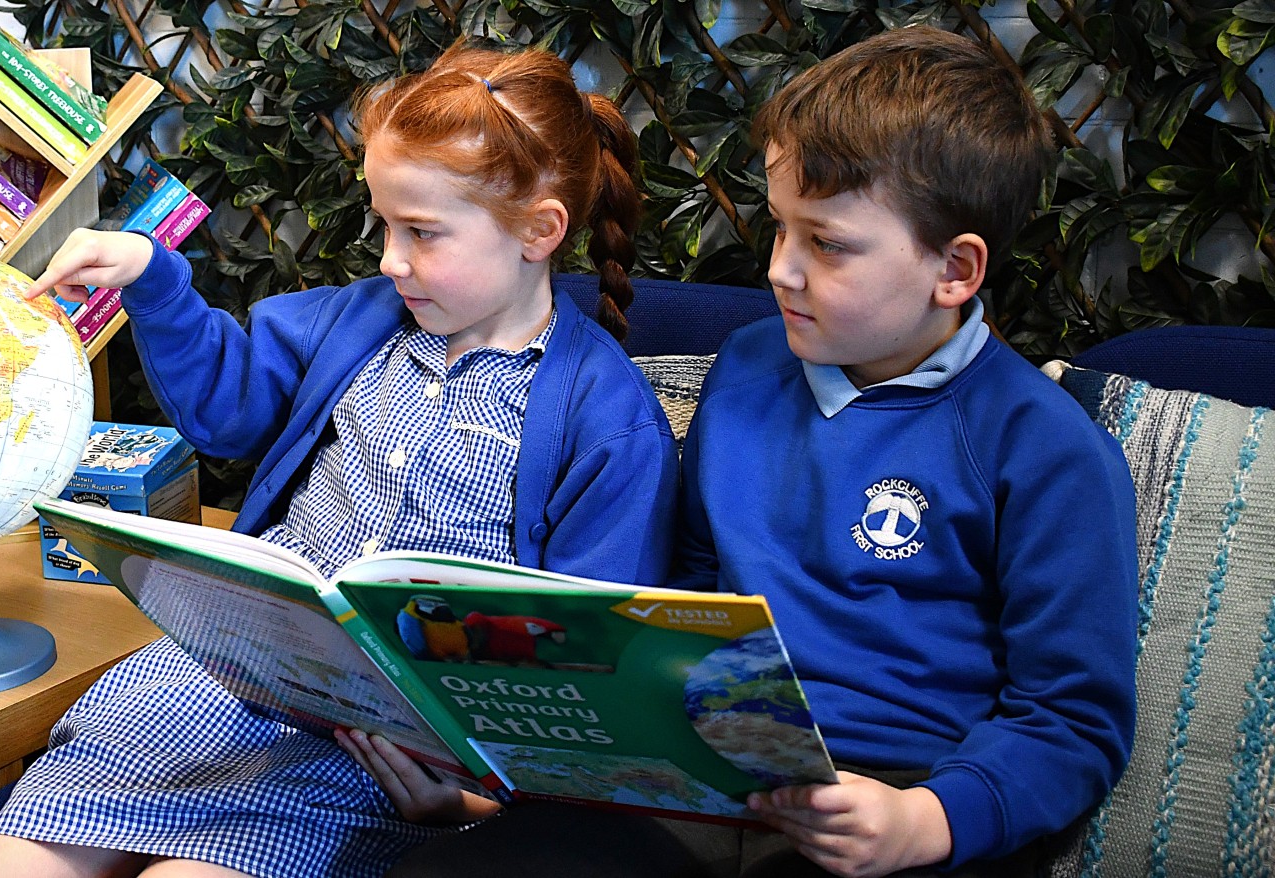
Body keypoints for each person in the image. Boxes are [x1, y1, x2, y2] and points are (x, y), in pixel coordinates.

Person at [387, 26, 1138, 878]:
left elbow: (1074, 720)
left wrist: (925, 821)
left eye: (827, 244)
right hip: (703, 782)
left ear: (955, 270)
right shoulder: (745, 368)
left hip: (902, 802)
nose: (781, 269)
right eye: (781, 228)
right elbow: (685, 596)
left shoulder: (1048, 452)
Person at [0, 42, 677, 878]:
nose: (390, 259)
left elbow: (594, 676)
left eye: (423, 232)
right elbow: (227, 410)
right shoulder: (359, 321)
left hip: (381, 758)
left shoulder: (607, 420)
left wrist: (473, 804)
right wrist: (153, 279)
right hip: (218, 690)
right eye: (385, 225)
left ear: (539, 232)